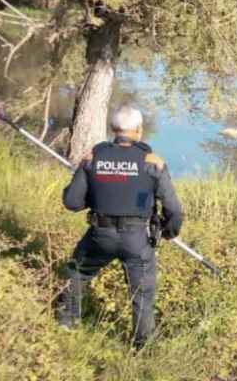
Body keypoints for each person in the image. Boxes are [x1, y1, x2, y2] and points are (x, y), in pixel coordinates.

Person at [58, 106, 184, 348]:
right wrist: (168, 232)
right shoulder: (153, 163)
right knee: (142, 294)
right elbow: (174, 210)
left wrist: (91, 190)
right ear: (138, 130)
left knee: (76, 273)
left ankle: (67, 325)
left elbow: (72, 202)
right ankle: (142, 347)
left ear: (113, 130)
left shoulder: (93, 158)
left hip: (99, 236)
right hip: (137, 239)